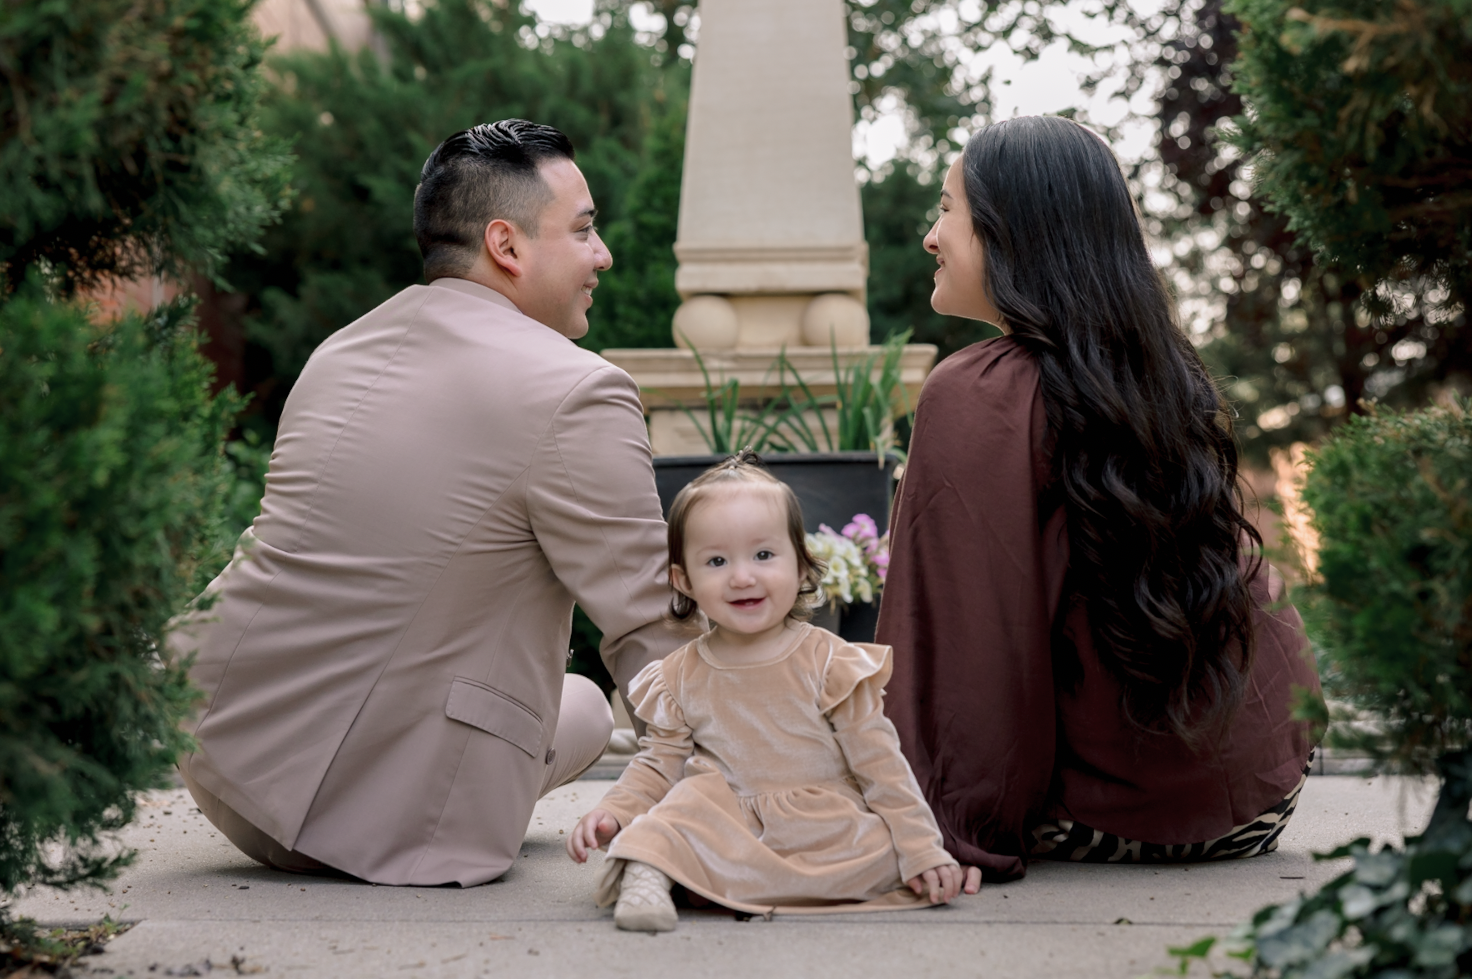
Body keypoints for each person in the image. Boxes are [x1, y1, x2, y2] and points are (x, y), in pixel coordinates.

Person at [167, 119, 697, 886]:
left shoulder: (340, 349)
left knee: (567, 696)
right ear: (507, 246)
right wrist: (740, 790)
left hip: (218, 755)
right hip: (381, 826)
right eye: (583, 231)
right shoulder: (575, 387)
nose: (602, 255)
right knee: (582, 704)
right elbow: (648, 621)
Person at [875, 116, 1321, 881]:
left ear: (1010, 230)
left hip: (1120, 818)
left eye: (946, 209)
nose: (929, 236)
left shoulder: (975, 391)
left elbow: (968, 658)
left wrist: (931, 820)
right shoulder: (1153, 375)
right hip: (1259, 797)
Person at [565, 452, 976, 931]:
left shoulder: (828, 660)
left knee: (886, 853)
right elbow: (658, 764)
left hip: (821, 823)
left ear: (801, 567)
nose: (742, 576)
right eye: (716, 561)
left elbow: (880, 763)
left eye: (764, 555)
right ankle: (648, 873)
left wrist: (921, 848)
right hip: (729, 820)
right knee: (671, 819)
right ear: (685, 581)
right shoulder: (679, 673)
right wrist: (614, 810)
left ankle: (703, 877)